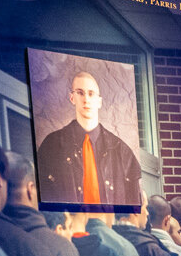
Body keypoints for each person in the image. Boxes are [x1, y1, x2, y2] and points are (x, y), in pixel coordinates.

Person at [36, 69, 141, 210]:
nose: (86, 99)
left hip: (111, 224)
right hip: (68, 224)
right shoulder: (52, 146)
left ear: (99, 101)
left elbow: (134, 209)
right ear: (72, 98)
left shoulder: (121, 150)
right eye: (80, 93)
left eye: (91, 93)